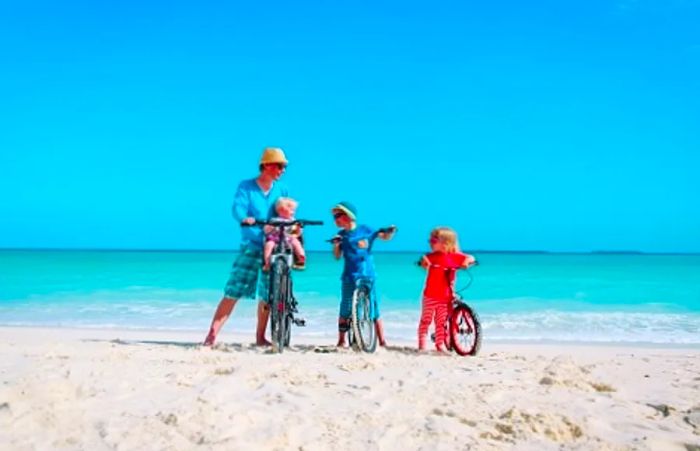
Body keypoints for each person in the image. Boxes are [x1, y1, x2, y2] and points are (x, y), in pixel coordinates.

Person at [203, 147, 290, 347]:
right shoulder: (247, 187)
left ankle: (260, 337)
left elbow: (287, 208)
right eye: (279, 165)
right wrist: (245, 218)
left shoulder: (282, 189)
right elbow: (237, 208)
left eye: (284, 166)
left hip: (276, 245)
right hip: (252, 243)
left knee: (268, 293)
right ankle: (212, 335)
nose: (282, 170)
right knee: (234, 289)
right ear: (267, 165)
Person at [330, 201, 396, 347]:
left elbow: (382, 236)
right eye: (334, 217)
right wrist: (336, 245)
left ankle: (382, 341)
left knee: (373, 306)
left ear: (349, 215)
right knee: (345, 307)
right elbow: (337, 256)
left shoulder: (365, 230)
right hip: (349, 275)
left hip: (367, 274)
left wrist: (390, 232)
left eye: (338, 215)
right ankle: (341, 340)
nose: (335, 219)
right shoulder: (341, 235)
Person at [417, 227, 476, 352]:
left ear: (446, 243)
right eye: (430, 240)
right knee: (425, 321)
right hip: (430, 296)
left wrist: (466, 262)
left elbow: (471, 257)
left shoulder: (455, 256)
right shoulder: (432, 257)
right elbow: (423, 260)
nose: (430, 243)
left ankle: (440, 345)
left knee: (441, 322)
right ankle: (422, 345)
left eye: (433, 240)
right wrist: (423, 263)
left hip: (445, 297)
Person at [263, 197, 306, 271]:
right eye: (292, 210)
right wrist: (268, 227)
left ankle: (301, 257)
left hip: (289, 238)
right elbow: (266, 230)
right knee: (269, 245)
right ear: (282, 210)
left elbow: (297, 233)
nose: (293, 212)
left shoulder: (293, 221)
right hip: (275, 238)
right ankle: (267, 262)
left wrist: (298, 228)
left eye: (294, 210)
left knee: (296, 243)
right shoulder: (274, 220)